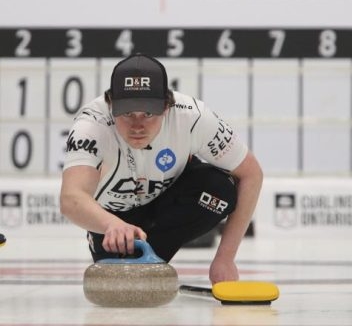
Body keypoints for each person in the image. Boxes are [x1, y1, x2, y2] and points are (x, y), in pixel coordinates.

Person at [60, 53, 263, 284]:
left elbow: (251, 174)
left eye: (148, 113)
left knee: (220, 190)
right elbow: (71, 198)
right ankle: (135, 256)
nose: (137, 126)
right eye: (127, 113)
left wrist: (225, 258)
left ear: (167, 106)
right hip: (113, 217)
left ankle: (153, 257)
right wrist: (111, 224)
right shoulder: (91, 125)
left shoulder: (193, 117)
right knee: (120, 281)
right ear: (110, 104)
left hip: (170, 200)